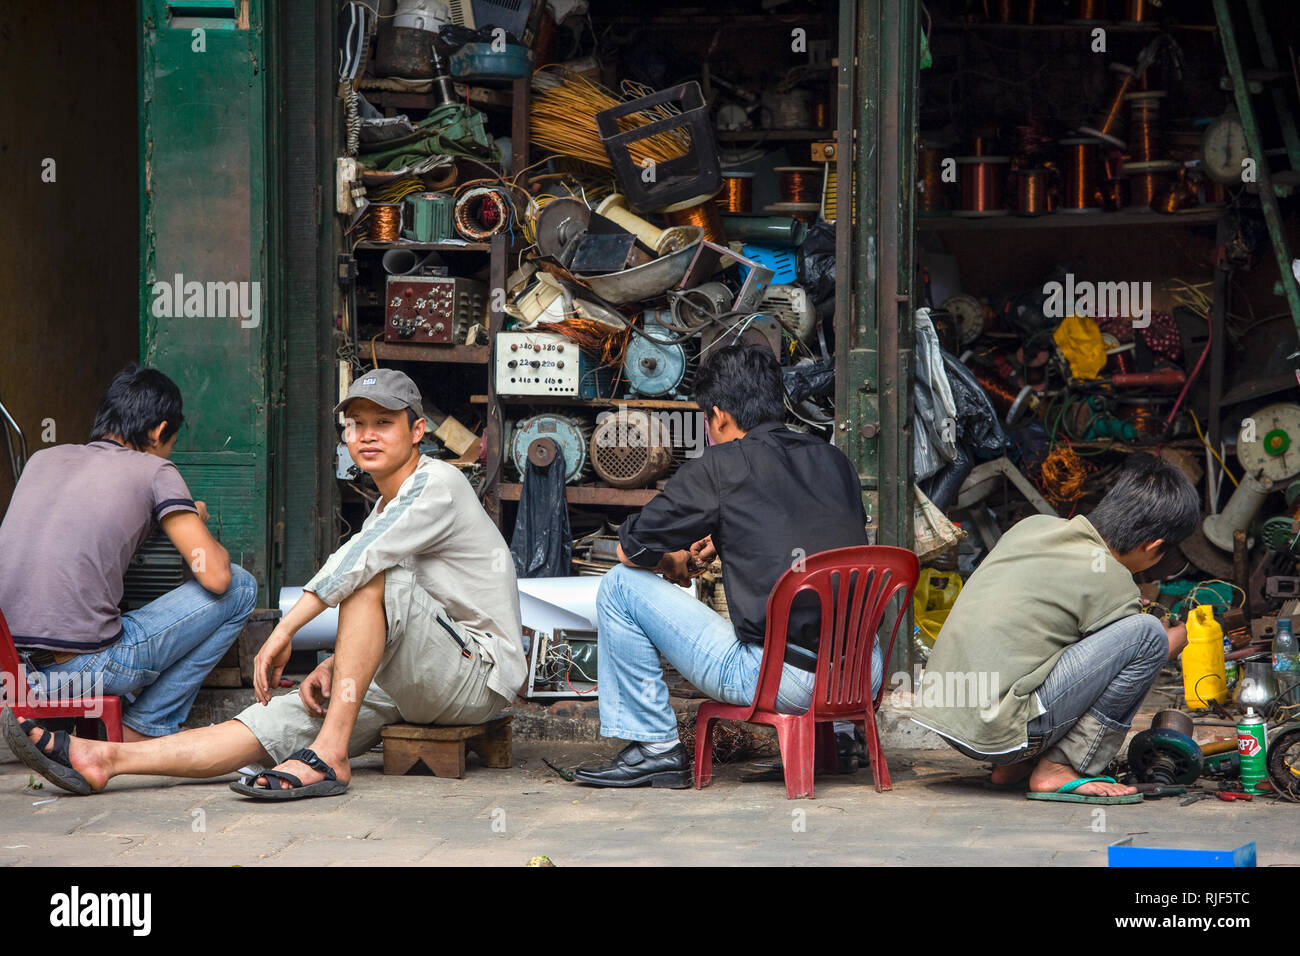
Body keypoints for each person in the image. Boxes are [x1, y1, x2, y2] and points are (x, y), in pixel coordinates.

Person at [4, 368, 526, 799]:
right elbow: (399, 618)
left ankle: (328, 757)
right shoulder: (385, 506)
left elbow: (364, 564)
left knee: (371, 575)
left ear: (417, 432)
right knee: (271, 720)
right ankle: (107, 758)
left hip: (478, 676)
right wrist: (332, 663)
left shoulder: (439, 482)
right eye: (357, 424)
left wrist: (285, 630)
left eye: (384, 423)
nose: (366, 435)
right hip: (421, 679)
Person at [573, 344, 877, 789]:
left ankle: (655, 749)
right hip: (860, 674)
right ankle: (844, 738)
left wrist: (673, 561)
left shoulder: (722, 465)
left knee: (620, 586)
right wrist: (724, 536)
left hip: (788, 682)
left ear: (717, 415)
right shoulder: (833, 459)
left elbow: (631, 549)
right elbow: (807, 531)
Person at [909, 455, 1200, 802]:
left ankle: (1012, 768)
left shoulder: (1033, 527)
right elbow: (1140, 657)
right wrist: (1175, 639)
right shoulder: (1111, 578)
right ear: (1152, 546)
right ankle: (1060, 767)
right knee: (1147, 635)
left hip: (947, 718)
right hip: (994, 731)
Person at [0, 363, 255, 742]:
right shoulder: (154, 470)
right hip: (80, 671)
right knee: (241, 587)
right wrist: (192, 520)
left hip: (10, 676)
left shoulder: (41, 460)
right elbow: (216, 577)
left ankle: (63, 727)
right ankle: (145, 726)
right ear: (158, 431)